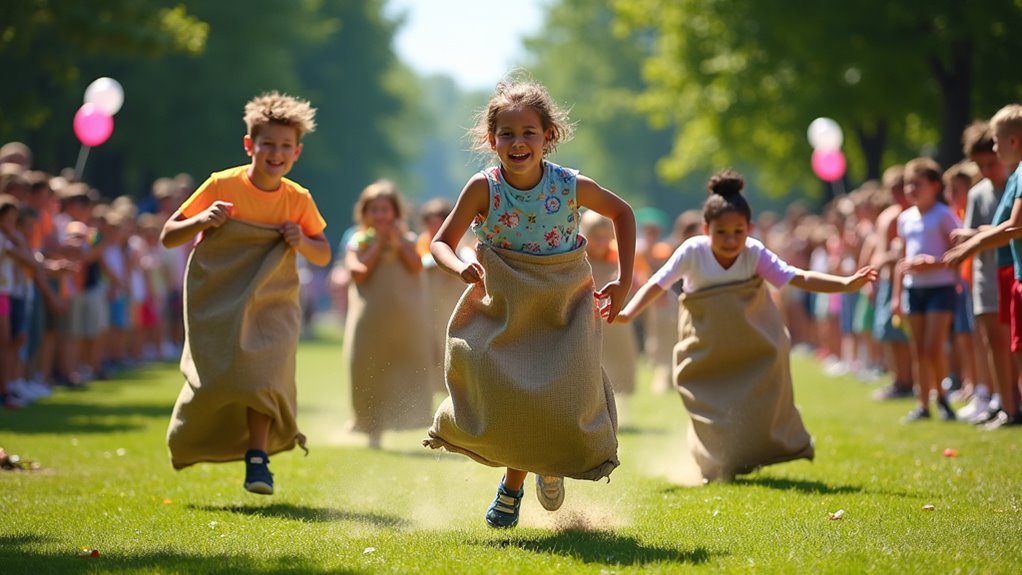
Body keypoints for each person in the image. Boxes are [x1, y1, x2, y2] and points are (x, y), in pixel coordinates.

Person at [423, 77, 636, 528]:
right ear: (492, 140)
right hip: (507, 308)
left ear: (548, 136)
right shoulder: (483, 188)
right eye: (507, 134)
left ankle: (533, 475)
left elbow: (623, 212)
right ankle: (517, 481)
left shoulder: (570, 185)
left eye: (528, 133)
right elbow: (441, 242)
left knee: (559, 396)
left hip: (564, 307)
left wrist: (623, 280)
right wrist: (460, 266)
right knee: (509, 393)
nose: (518, 142)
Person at [615, 169, 876, 482]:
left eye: (738, 231)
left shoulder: (754, 252)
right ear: (706, 229)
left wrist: (845, 283)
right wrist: (628, 312)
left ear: (749, 229)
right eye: (721, 232)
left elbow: (798, 276)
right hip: (706, 344)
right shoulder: (692, 252)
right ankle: (715, 462)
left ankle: (752, 454)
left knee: (759, 403)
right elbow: (658, 284)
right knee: (705, 399)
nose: (730, 240)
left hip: (754, 342)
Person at [161, 91, 331, 494]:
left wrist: (301, 240)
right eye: (268, 143)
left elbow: (323, 254)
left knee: (264, 375)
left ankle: (258, 457)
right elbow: (169, 235)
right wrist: (203, 219)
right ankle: (189, 439)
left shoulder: (298, 199)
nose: (276, 153)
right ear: (249, 145)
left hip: (273, 302)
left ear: (297, 152)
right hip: (220, 297)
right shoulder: (221, 184)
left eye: (285, 146)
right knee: (220, 379)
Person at [944, 104, 1022, 427]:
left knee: (1014, 344)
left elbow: (1013, 227)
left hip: (1011, 271)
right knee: (1000, 343)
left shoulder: (1018, 175)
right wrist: (974, 239)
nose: (989, 165)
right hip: (996, 274)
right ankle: (1006, 404)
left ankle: (1012, 405)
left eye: (996, 146)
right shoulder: (995, 185)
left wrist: (974, 241)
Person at [342, 180, 433, 449]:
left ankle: (408, 420)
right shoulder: (357, 241)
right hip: (370, 320)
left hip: (405, 321)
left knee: (406, 368)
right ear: (364, 213)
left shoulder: (408, 240)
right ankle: (371, 428)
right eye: (374, 210)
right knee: (368, 370)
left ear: (395, 212)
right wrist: (378, 243)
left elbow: (417, 266)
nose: (380, 215)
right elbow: (358, 272)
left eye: (385, 209)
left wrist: (397, 243)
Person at [892, 158, 961, 423]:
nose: (911, 189)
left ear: (934, 186)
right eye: (908, 184)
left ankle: (942, 397)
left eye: (917, 184)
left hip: (940, 287)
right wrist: (897, 296)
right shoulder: (905, 218)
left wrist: (933, 263)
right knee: (918, 349)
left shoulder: (944, 215)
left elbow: (959, 252)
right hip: (914, 289)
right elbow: (901, 260)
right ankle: (922, 404)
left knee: (933, 347)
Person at [870, 167, 915, 399]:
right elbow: (881, 252)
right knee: (888, 333)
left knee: (904, 335)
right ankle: (899, 379)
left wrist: (886, 258)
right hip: (887, 280)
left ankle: (908, 381)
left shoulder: (910, 216)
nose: (895, 195)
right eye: (891, 190)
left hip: (907, 280)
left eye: (898, 189)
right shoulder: (888, 216)